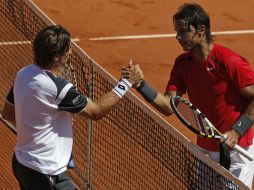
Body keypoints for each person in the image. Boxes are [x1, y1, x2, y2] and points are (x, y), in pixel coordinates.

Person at [122, 3, 254, 189]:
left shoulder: (229, 61)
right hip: (205, 151)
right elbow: (169, 106)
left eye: (183, 31)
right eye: (177, 31)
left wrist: (236, 131)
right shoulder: (182, 64)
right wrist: (140, 84)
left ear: (201, 31)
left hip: (237, 153)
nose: (177, 36)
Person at [1, 25, 143, 190]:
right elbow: (95, 111)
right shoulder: (57, 87)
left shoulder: (23, 74)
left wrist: (40, 129)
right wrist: (126, 83)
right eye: (67, 50)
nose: (70, 53)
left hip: (22, 164)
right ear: (56, 57)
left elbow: (8, 113)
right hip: (47, 173)